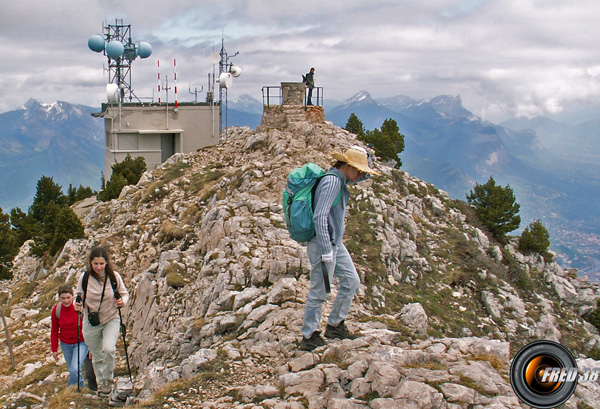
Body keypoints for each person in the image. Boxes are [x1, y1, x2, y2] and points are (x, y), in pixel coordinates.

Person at [300, 147, 380, 351]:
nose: (361, 175)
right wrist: (326, 249)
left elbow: (356, 179)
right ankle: (309, 336)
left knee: (351, 281)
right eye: (359, 170)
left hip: (335, 243)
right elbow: (319, 216)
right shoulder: (332, 182)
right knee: (320, 291)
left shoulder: (341, 180)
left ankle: (335, 325)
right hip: (323, 244)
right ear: (348, 166)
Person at [75, 246, 129, 396]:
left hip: (111, 318)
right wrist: (77, 304)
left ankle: (108, 379)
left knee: (109, 349)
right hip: (91, 322)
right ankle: (102, 385)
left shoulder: (114, 276)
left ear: (106, 263)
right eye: (95, 264)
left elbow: (124, 293)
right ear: (90, 263)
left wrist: (122, 301)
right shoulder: (84, 278)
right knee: (97, 355)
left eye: (101, 264)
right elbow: (78, 295)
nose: (98, 267)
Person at [51, 285, 88, 388]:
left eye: (68, 298)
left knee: (75, 369)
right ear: (59, 298)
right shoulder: (56, 310)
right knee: (74, 369)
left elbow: (88, 327)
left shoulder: (79, 308)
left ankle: (70, 389)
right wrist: (54, 349)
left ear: (73, 297)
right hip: (65, 344)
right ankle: (81, 389)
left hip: (81, 342)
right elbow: (54, 330)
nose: (66, 301)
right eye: (63, 298)